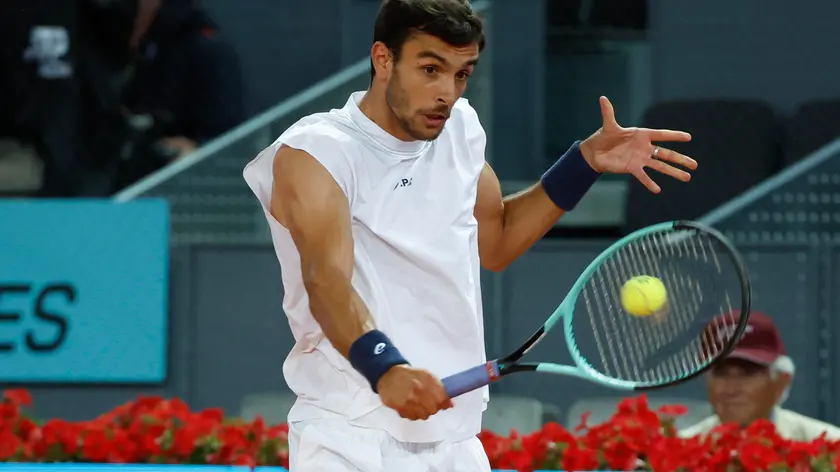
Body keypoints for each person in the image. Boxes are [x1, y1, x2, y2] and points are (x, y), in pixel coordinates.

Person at [242, 0, 696, 470]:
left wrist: (584, 163)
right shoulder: (317, 153)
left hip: (456, 441)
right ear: (383, 59)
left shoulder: (458, 129)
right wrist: (384, 368)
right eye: (430, 69)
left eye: (462, 74)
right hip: (350, 435)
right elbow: (326, 280)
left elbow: (496, 241)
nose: (447, 93)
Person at [680, 312, 840, 440]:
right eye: (721, 373)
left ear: (781, 382)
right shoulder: (680, 453)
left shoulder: (829, 447)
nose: (731, 389)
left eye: (747, 373)